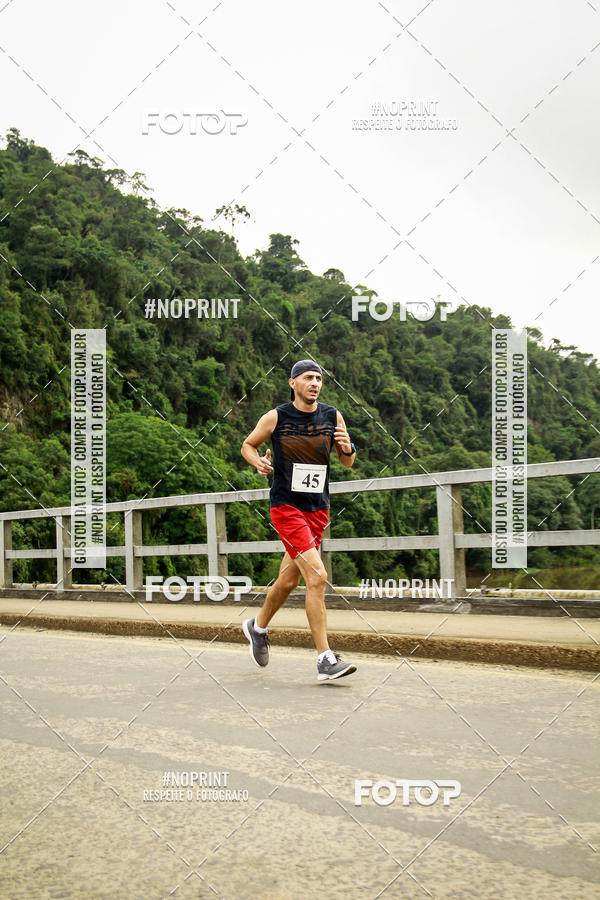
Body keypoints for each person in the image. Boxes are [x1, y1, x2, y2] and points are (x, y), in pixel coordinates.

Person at [240, 359, 358, 681]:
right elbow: (248, 445)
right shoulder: (276, 417)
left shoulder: (332, 416)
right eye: (308, 377)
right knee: (317, 576)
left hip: (317, 510)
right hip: (287, 507)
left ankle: (257, 627)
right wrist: (257, 462)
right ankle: (325, 659)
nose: (314, 383)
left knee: (290, 580)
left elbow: (346, 462)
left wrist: (348, 448)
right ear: (293, 383)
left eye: (318, 378)